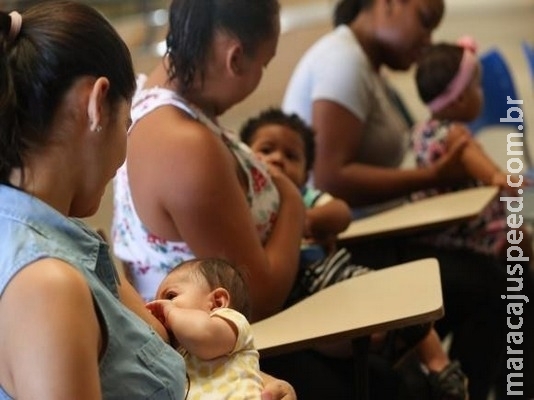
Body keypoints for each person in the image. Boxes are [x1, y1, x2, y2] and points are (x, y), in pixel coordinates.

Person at [0, 3, 296, 399]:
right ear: (97, 104)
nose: (124, 157)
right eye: (127, 125)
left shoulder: (65, 238)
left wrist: (244, 383)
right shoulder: (48, 284)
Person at [111, 0, 402, 397]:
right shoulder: (183, 145)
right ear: (235, 59)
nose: (260, 74)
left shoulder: (175, 105)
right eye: (264, 63)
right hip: (231, 346)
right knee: (394, 380)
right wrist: (294, 204)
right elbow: (258, 298)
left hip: (267, 317)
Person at [281, 0, 513, 398]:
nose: (428, 41)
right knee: (493, 285)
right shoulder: (343, 63)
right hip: (347, 250)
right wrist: (432, 177)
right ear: (387, 5)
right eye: (424, 23)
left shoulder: (364, 64)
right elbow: (332, 177)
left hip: (379, 232)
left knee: (504, 266)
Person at [240, 107, 468, 400]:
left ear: (307, 172)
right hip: (299, 294)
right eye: (266, 150)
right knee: (350, 338)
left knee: (402, 302)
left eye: (291, 156)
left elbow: (341, 212)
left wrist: (303, 218)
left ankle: (440, 366)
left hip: (334, 271)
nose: (277, 160)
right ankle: (396, 350)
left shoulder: (304, 196)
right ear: (245, 159)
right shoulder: (249, 204)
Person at [412, 38, 533, 262]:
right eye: (477, 86)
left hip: (439, 223)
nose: (481, 93)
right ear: (459, 99)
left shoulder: (421, 130)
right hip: (468, 226)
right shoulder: (455, 134)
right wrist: (497, 175)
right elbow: (471, 155)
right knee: (517, 236)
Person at [147, 257, 263, 400]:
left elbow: (201, 334)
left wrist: (170, 312)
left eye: (170, 296)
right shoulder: (179, 351)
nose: (161, 306)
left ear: (217, 302)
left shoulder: (232, 321)